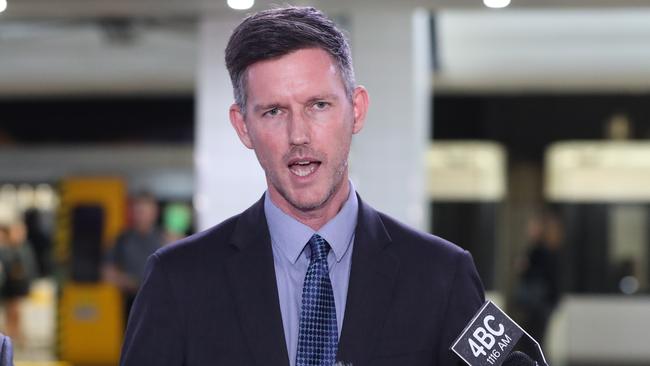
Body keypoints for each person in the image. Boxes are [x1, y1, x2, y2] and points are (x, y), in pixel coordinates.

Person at [120, 7, 484, 366]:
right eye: (274, 112)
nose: (299, 135)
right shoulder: (179, 280)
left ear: (356, 109)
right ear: (243, 126)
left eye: (319, 105)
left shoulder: (441, 276)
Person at [102, 191, 164, 320]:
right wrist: (129, 282)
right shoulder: (122, 240)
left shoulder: (165, 240)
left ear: (154, 213)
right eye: (137, 212)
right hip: (130, 303)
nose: (140, 216)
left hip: (161, 303)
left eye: (144, 212)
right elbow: (107, 273)